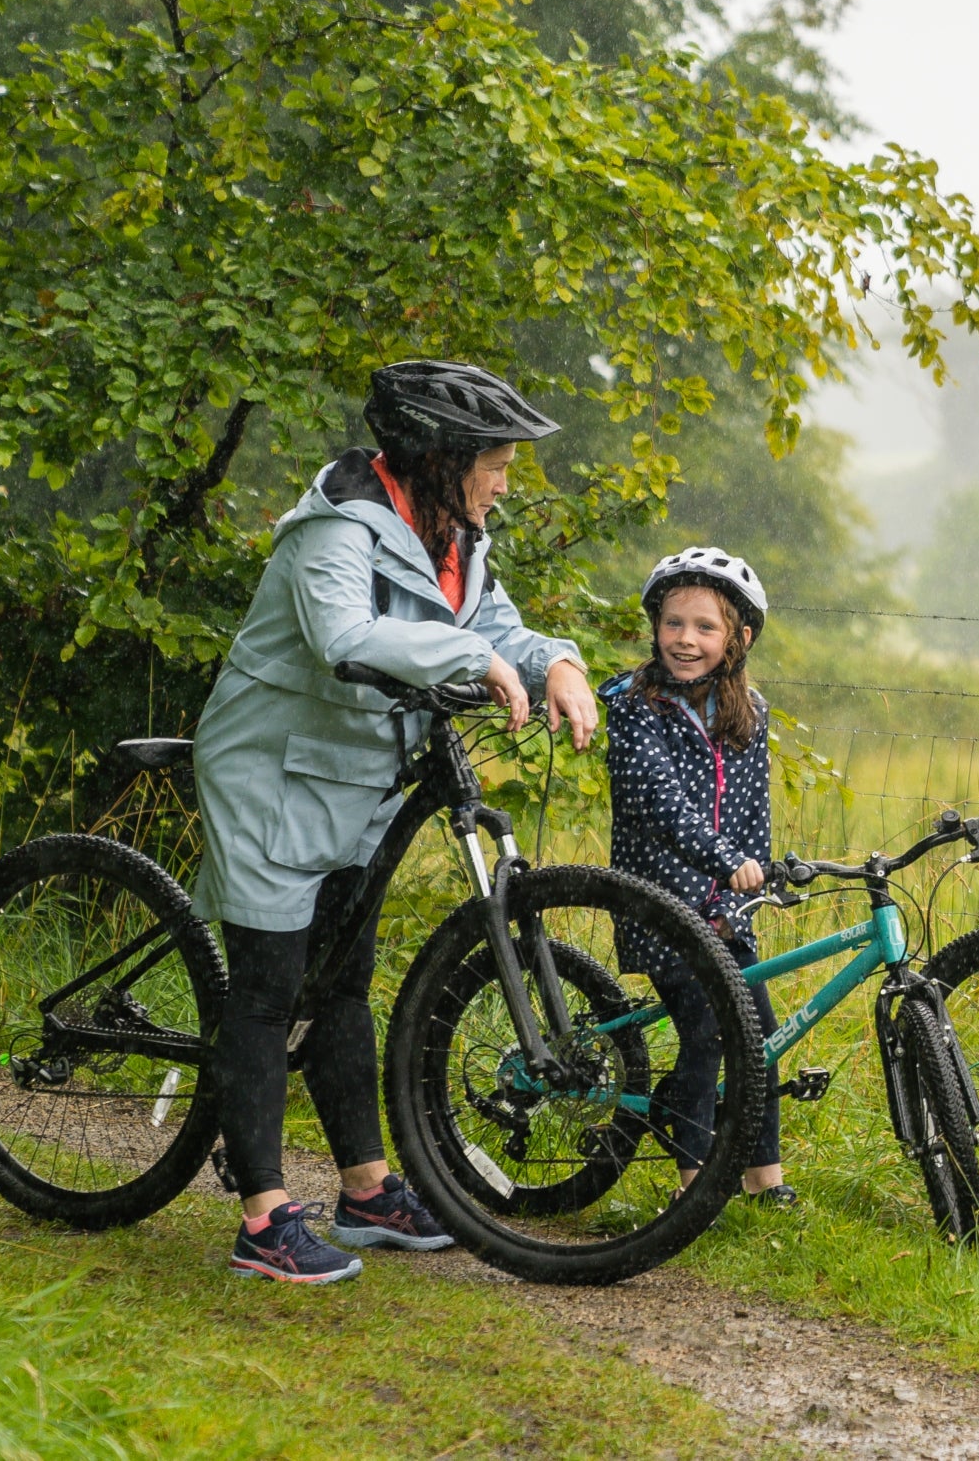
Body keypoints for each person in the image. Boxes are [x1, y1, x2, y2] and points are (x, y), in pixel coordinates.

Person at [191, 359, 599, 1283]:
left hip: (359, 779)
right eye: (493, 463)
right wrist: (467, 655)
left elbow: (500, 629)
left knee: (342, 981)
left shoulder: (456, 535)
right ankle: (261, 1220)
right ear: (441, 455)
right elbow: (344, 636)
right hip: (273, 771)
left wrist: (556, 665)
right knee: (266, 987)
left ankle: (366, 1189)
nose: (504, 481)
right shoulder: (333, 528)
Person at [601, 547, 796, 1208]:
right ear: (656, 626)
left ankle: (763, 1181)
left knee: (760, 1040)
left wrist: (762, 874)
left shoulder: (751, 711)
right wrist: (723, 861)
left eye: (705, 627)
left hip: (723, 913)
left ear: (739, 638)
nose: (685, 640)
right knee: (710, 1031)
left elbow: (753, 814)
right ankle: (695, 1184)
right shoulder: (634, 706)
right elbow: (658, 802)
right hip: (658, 903)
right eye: (673, 623)